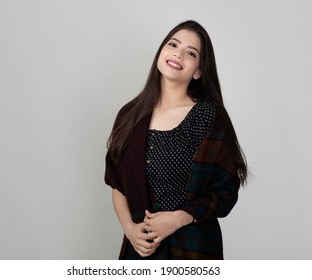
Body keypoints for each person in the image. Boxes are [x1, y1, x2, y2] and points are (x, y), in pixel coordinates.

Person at [104, 20, 247, 260]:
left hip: (193, 249)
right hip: (140, 249)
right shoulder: (130, 115)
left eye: (190, 53)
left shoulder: (208, 117)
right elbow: (116, 183)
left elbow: (227, 191)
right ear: (161, 52)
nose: (178, 54)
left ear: (199, 70)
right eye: (173, 44)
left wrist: (179, 218)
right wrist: (130, 229)